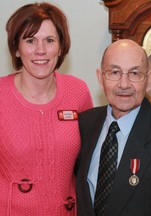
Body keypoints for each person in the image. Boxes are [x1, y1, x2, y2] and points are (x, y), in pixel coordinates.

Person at [76, 39, 151, 216]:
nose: (124, 84)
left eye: (135, 73)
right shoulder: (85, 124)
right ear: (100, 78)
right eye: (114, 72)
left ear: (149, 80)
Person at [0, 3, 93, 216]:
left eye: (50, 40)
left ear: (61, 47)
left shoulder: (77, 91)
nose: (40, 50)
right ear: (16, 48)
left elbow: (89, 161)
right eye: (30, 40)